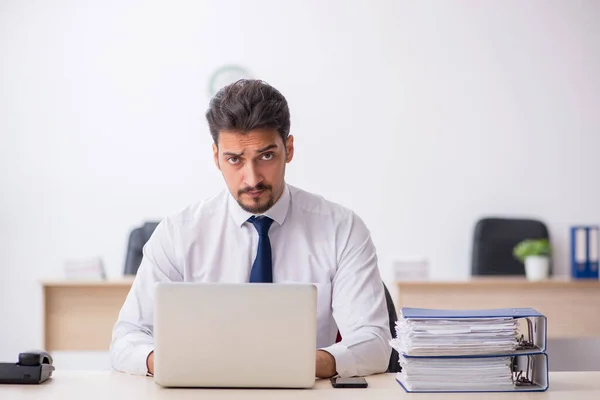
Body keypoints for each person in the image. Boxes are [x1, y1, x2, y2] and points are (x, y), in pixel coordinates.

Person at [109, 79, 392, 379]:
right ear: (216, 157)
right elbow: (126, 340)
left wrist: (289, 366)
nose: (251, 178)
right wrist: (173, 363)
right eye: (234, 160)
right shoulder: (178, 233)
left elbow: (374, 344)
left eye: (266, 156)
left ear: (289, 149)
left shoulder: (342, 229)